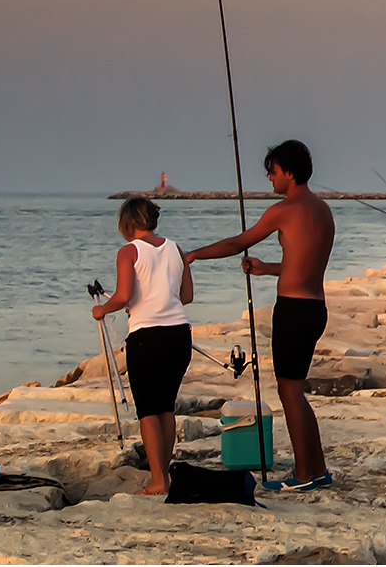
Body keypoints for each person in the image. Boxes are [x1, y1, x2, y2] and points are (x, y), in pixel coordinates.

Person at [184, 140, 336, 492]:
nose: (270, 178)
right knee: (297, 391)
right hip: (315, 309)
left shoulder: (284, 209)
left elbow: (239, 242)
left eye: (273, 171)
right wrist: (266, 268)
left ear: (289, 172)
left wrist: (193, 255)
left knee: (289, 392)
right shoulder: (323, 211)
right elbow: (302, 264)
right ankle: (318, 468)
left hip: (294, 311)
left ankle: (302, 475)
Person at [90, 197, 193, 496]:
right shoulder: (176, 249)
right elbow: (186, 295)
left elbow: (123, 295)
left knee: (147, 410)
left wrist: (103, 310)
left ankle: (158, 480)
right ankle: (164, 474)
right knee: (165, 408)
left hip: (146, 337)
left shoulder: (128, 251)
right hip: (178, 335)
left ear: (129, 222)